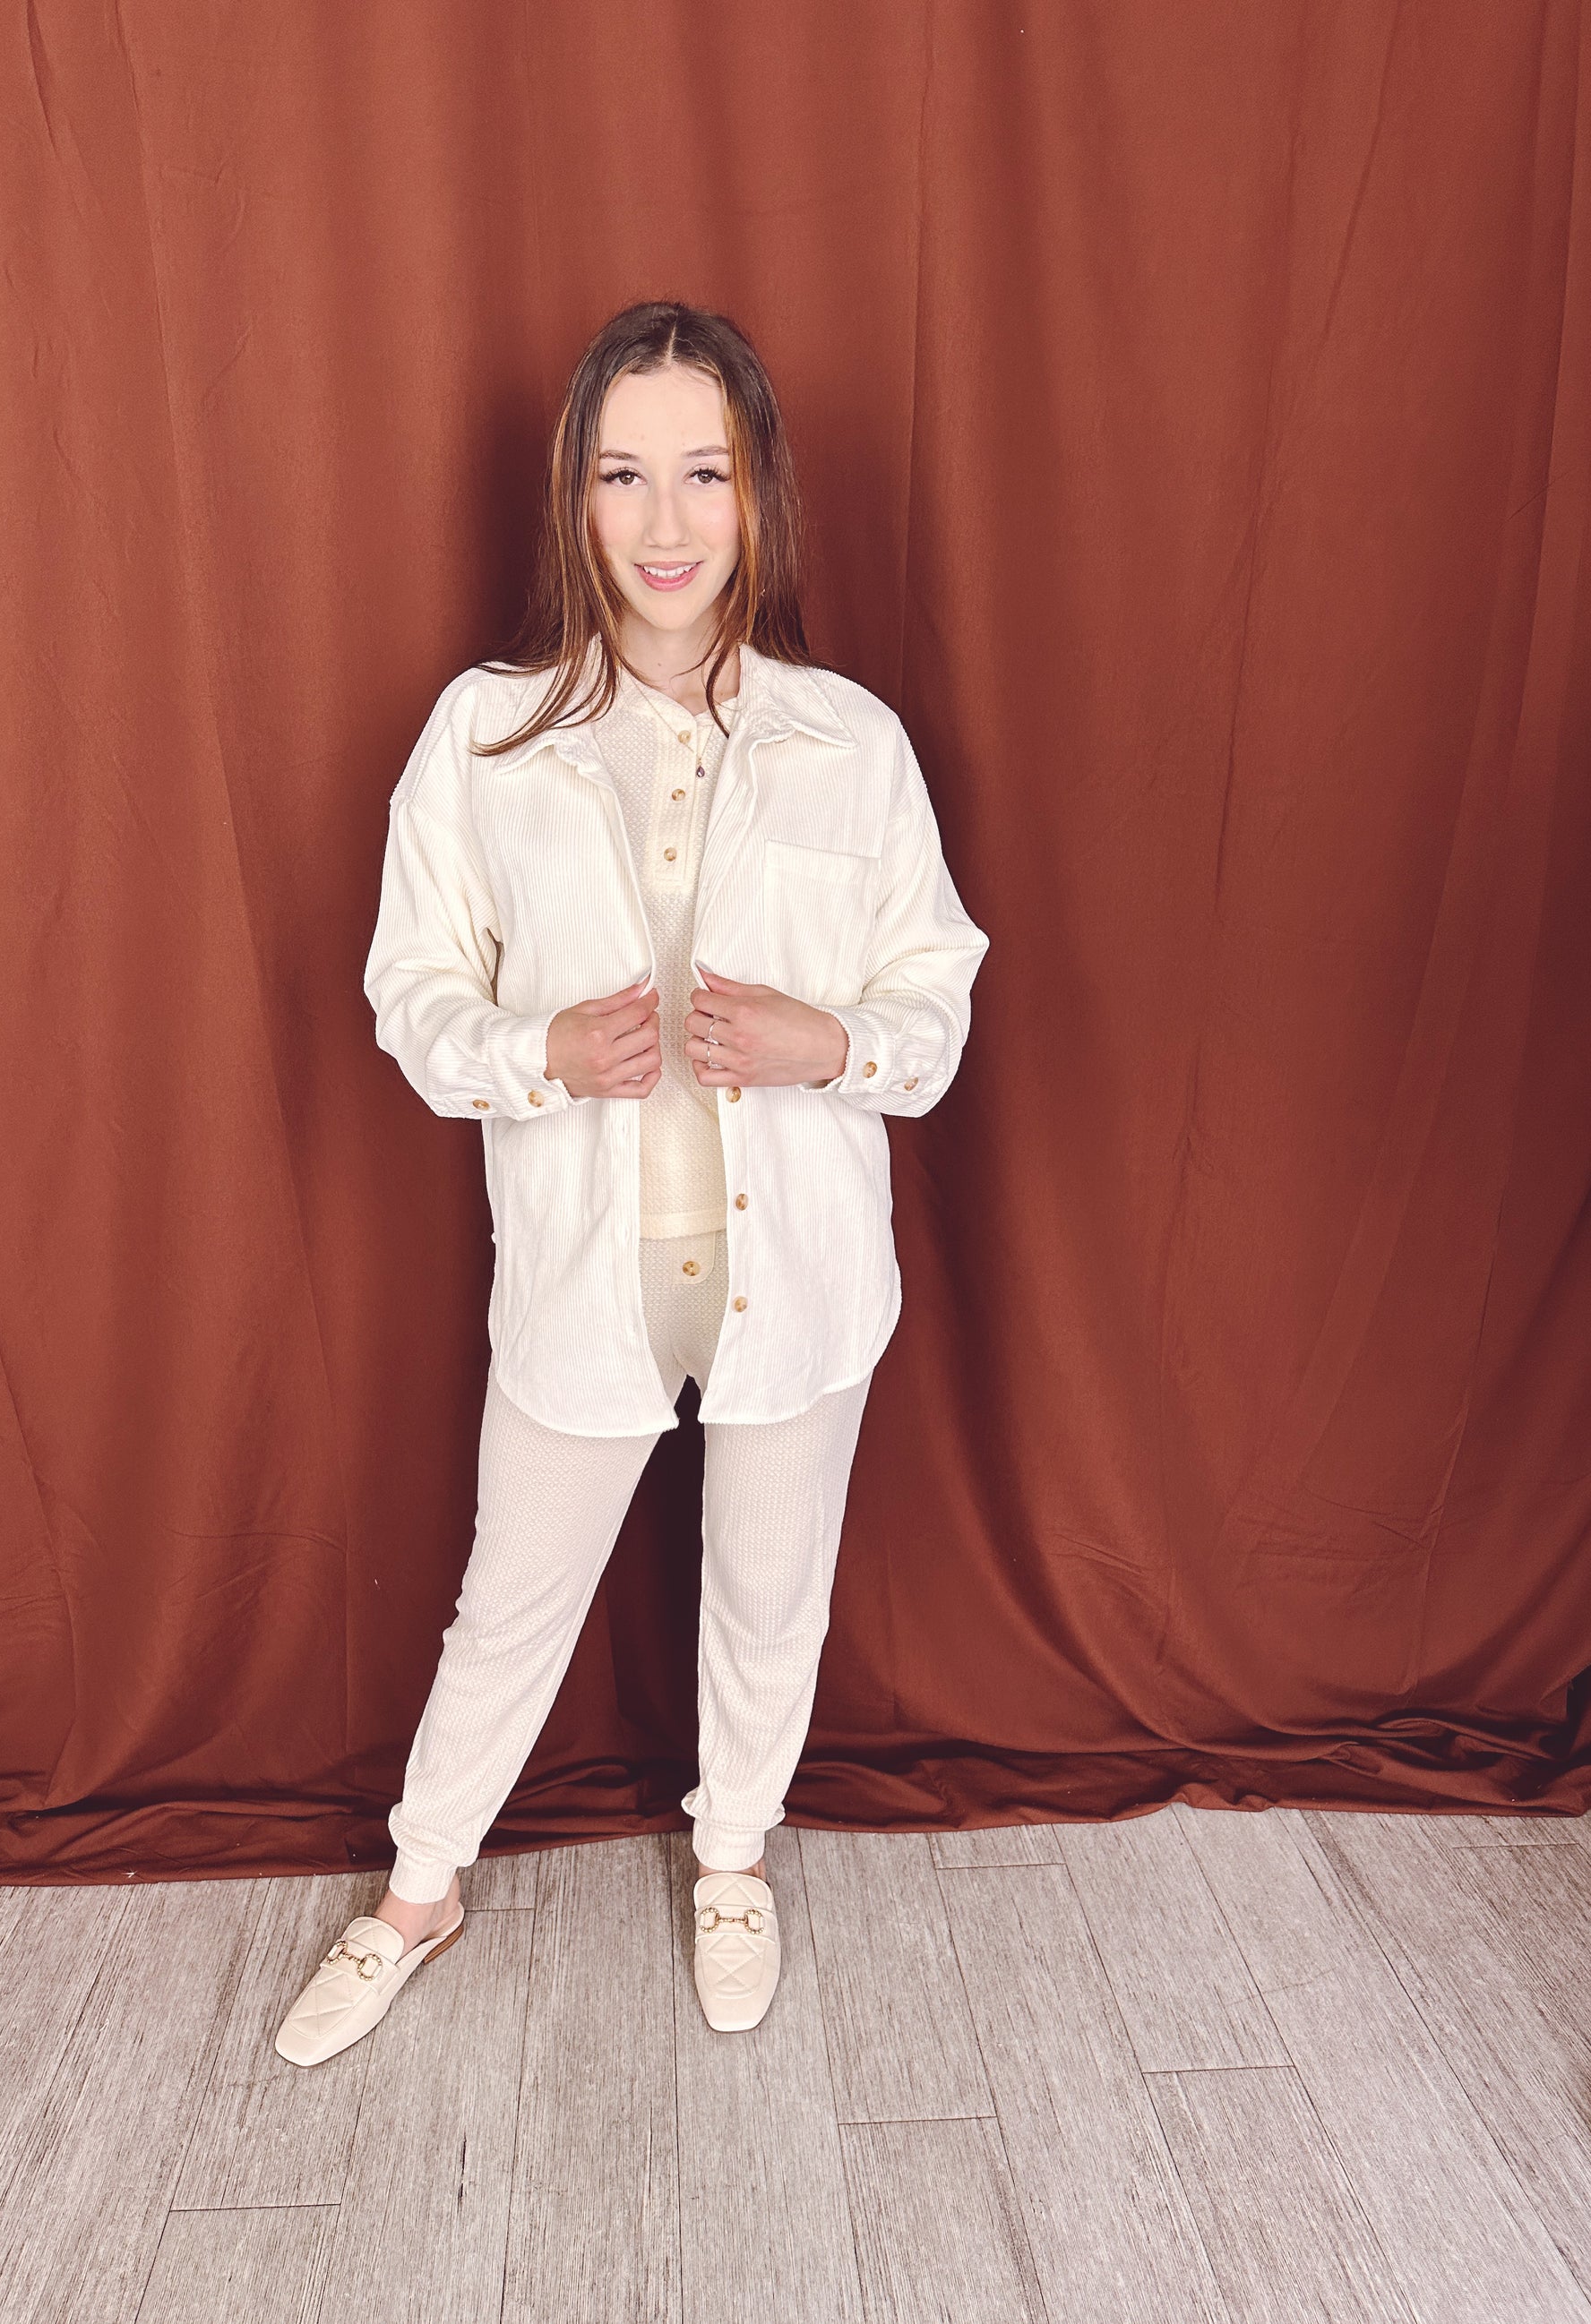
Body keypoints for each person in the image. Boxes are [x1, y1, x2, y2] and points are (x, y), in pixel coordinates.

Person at [276, 299, 989, 2067]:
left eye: (704, 472)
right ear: (574, 499)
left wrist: (830, 1041)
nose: (665, 522)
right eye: (622, 475)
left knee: (770, 1589)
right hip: (583, 1276)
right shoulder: (484, 737)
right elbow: (410, 993)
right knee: (508, 1599)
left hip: (799, 1274)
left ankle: (731, 1856)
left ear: (759, 495)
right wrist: (533, 1052)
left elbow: (934, 1001)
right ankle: (418, 1891)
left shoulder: (852, 743)